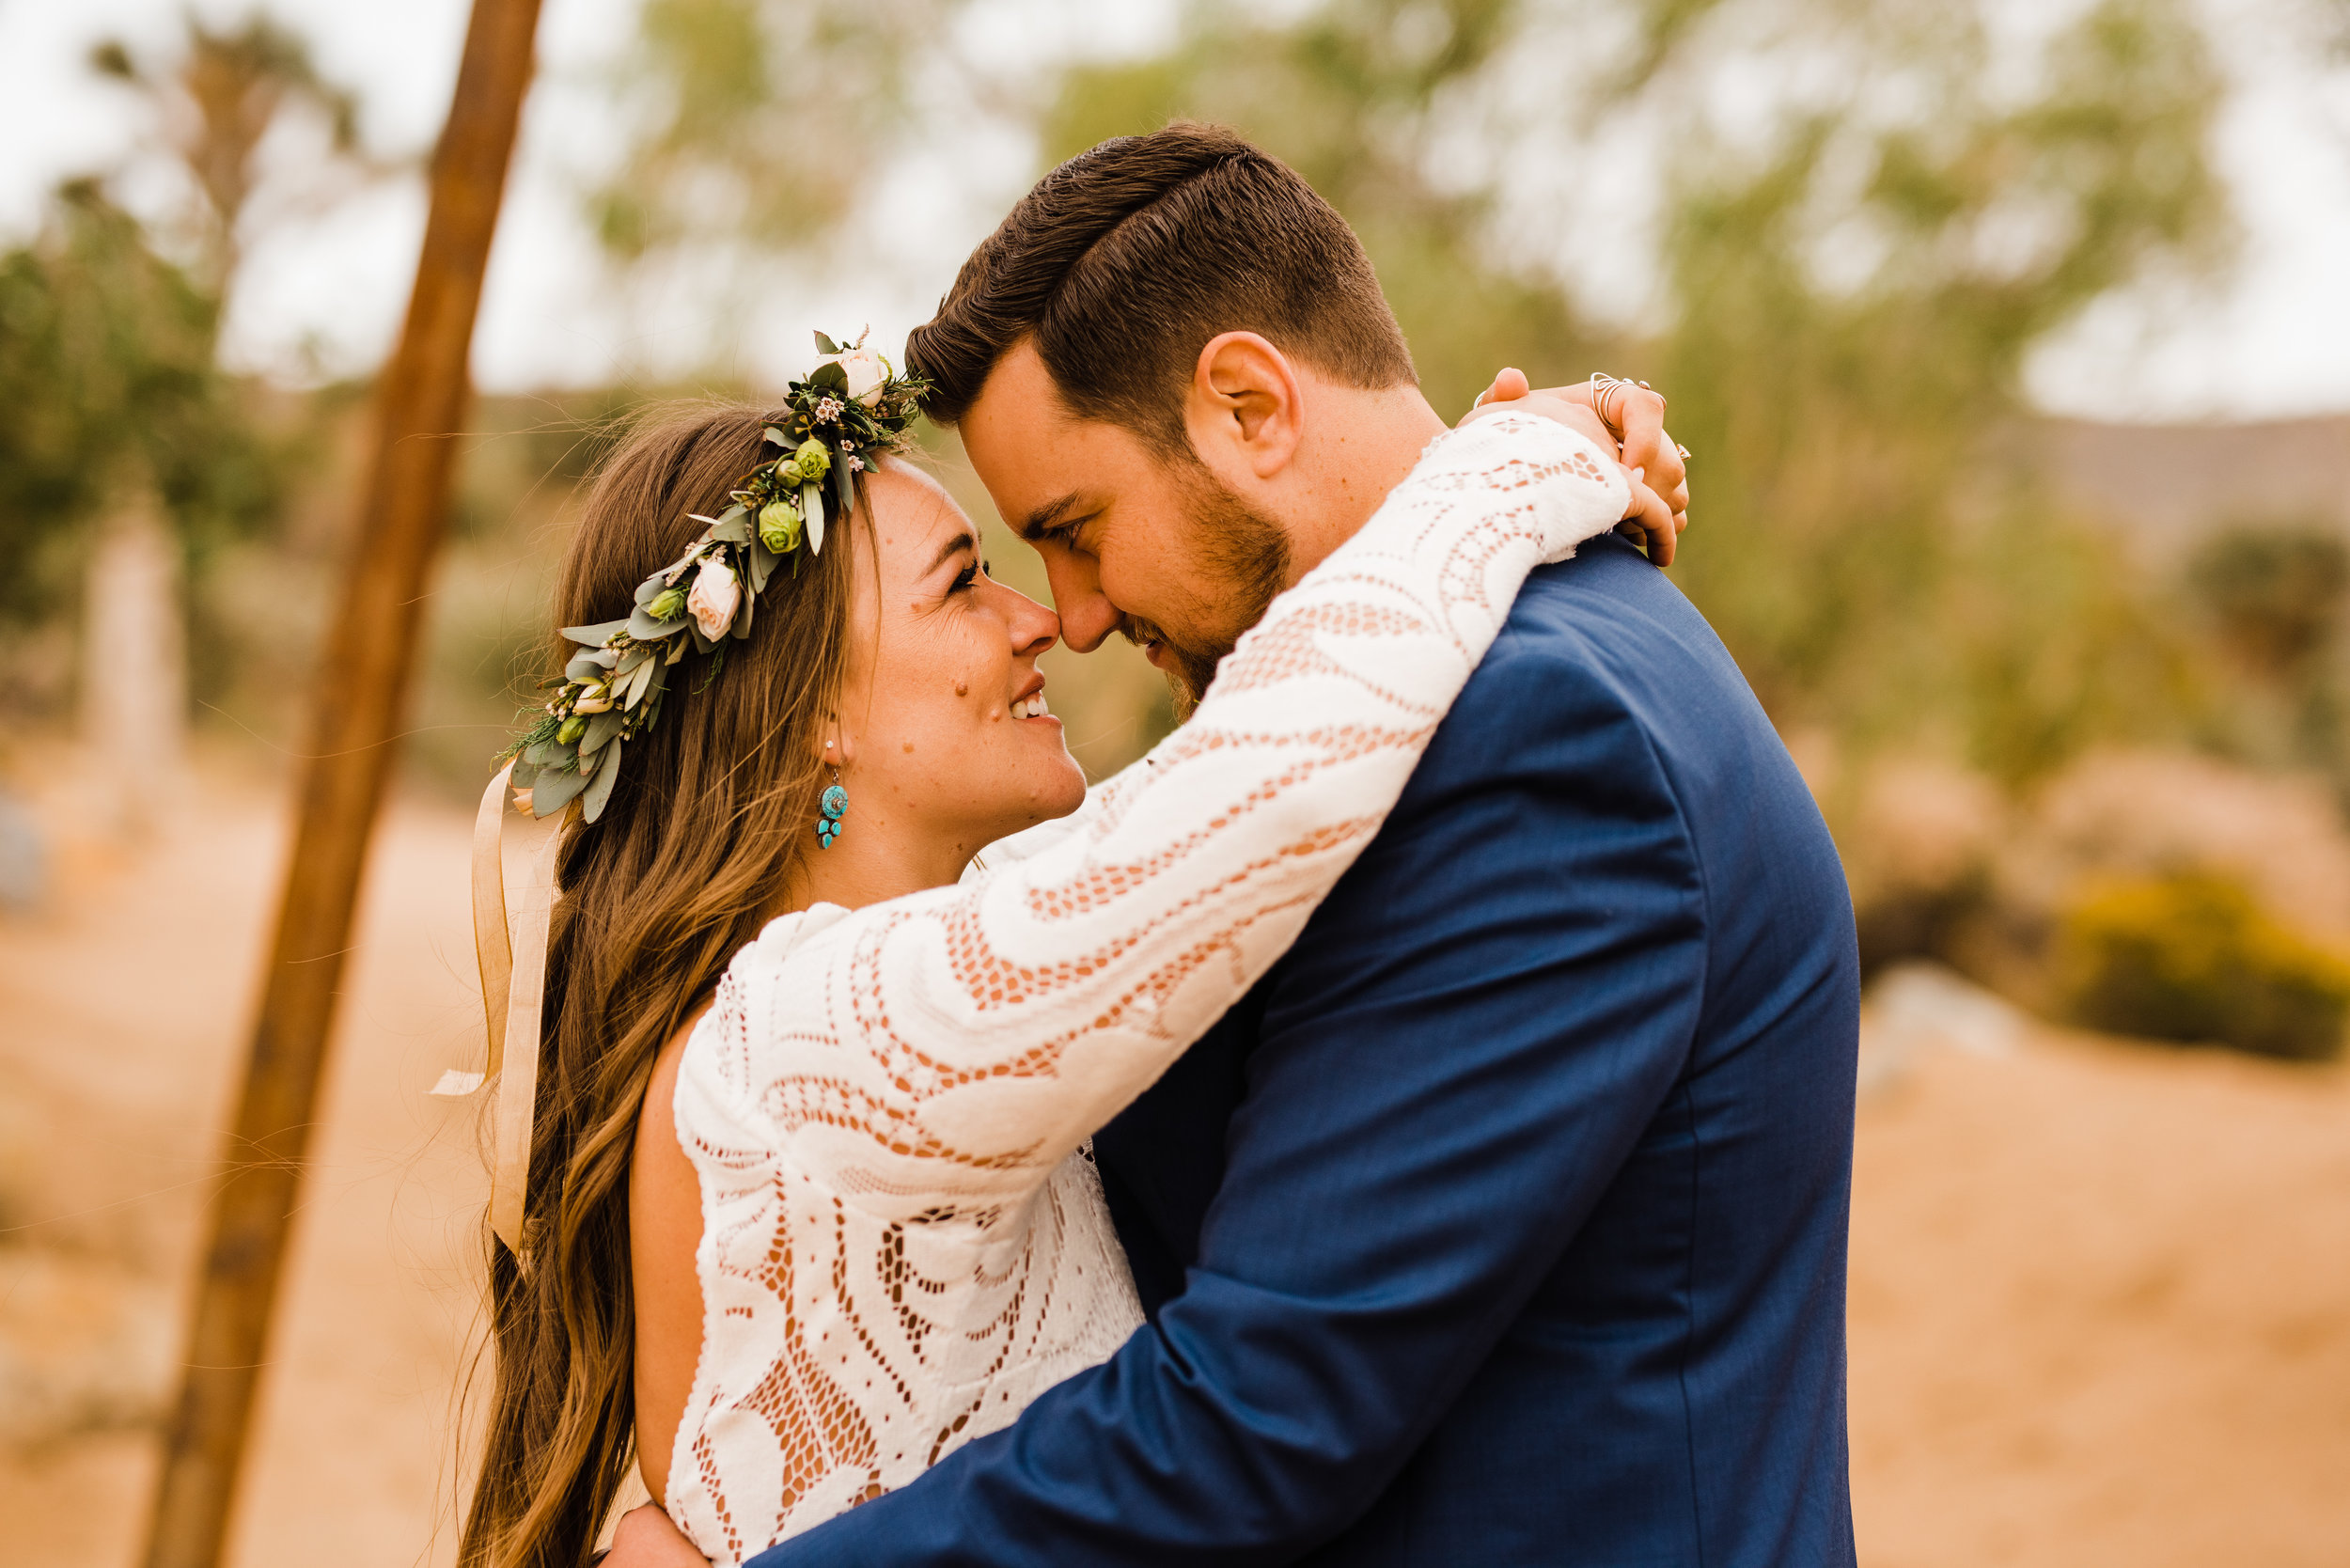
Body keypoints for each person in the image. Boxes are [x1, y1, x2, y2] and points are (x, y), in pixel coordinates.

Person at [605, 122, 1859, 1568]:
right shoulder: (1413, 715)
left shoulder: (1530, 735)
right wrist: (1511, 461)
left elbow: (1264, 1413)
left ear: (1251, 407)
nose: (1066, 615)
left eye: (1074, 528)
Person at [456, 318, 1660, 1559]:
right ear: (816, 706)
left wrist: (1466, 461)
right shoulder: (803, 1045)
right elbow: (1269, 780)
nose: (1040, 620)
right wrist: (1507, 470)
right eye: (961, 580)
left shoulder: (896, 960)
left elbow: (1228, 783)